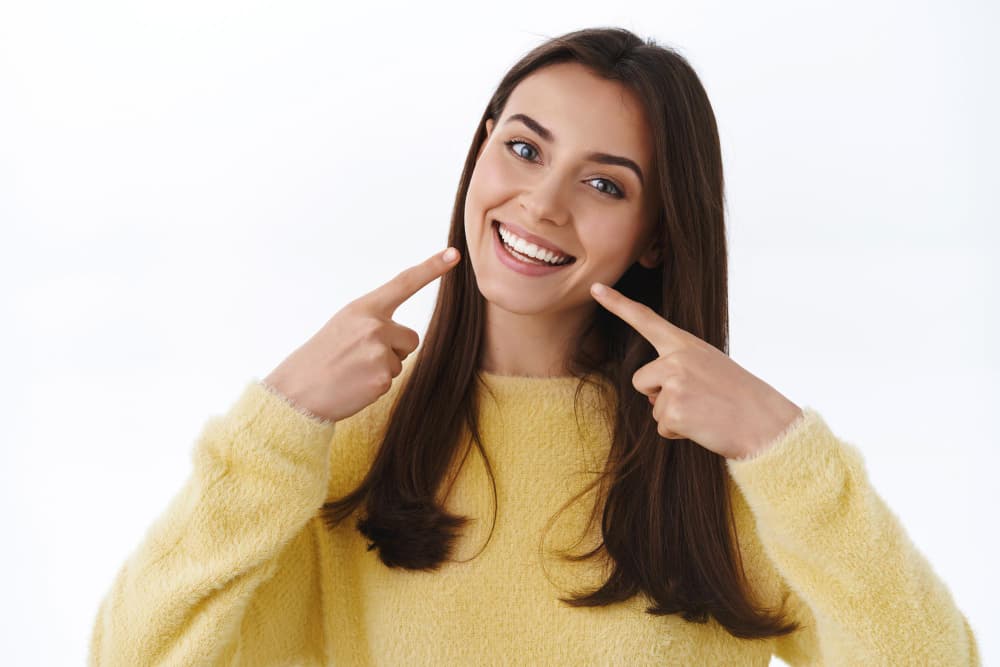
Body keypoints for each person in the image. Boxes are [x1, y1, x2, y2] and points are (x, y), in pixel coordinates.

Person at [88, 27, 980, 665]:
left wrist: (782, 445)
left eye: (602, 182)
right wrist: (275, 421)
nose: (544, 203)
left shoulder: (711, 462)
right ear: (480, 154)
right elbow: (136, 655)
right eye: (523, 148)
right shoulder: (346, 441)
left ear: (658, 236)